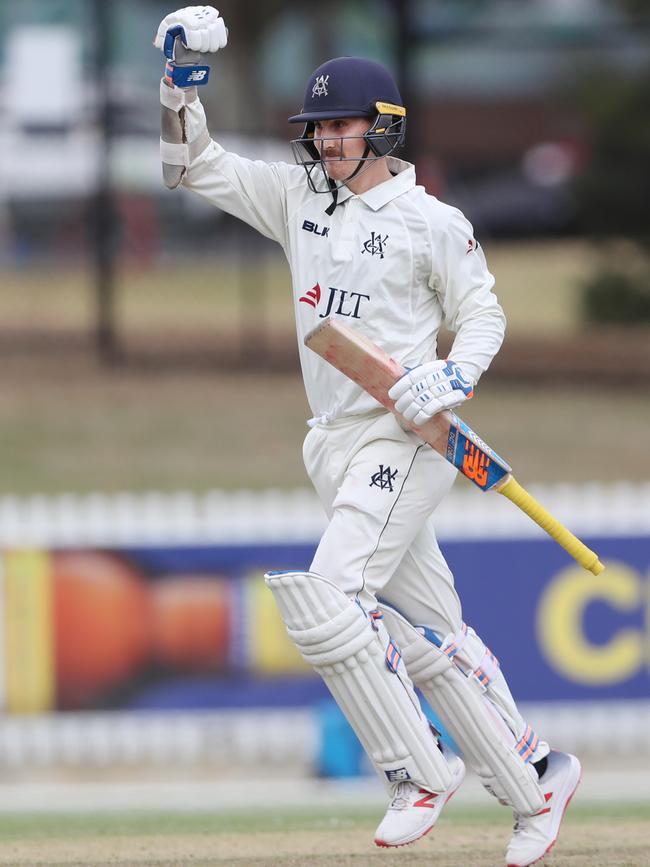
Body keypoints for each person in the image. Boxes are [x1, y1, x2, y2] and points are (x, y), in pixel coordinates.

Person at [154, 8, 581, 865]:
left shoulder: (432, 221)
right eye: (317, 127)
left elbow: (484, 311)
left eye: (342, 125)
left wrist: (454, 375)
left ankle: (416, 770)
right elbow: (190, 165)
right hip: (333, 440)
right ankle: (538, 777)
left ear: (383, 125)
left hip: (407, 433)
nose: (327, 141)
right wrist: (180, 81)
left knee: (331, 595)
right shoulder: (299, 199)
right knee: (430, 632)